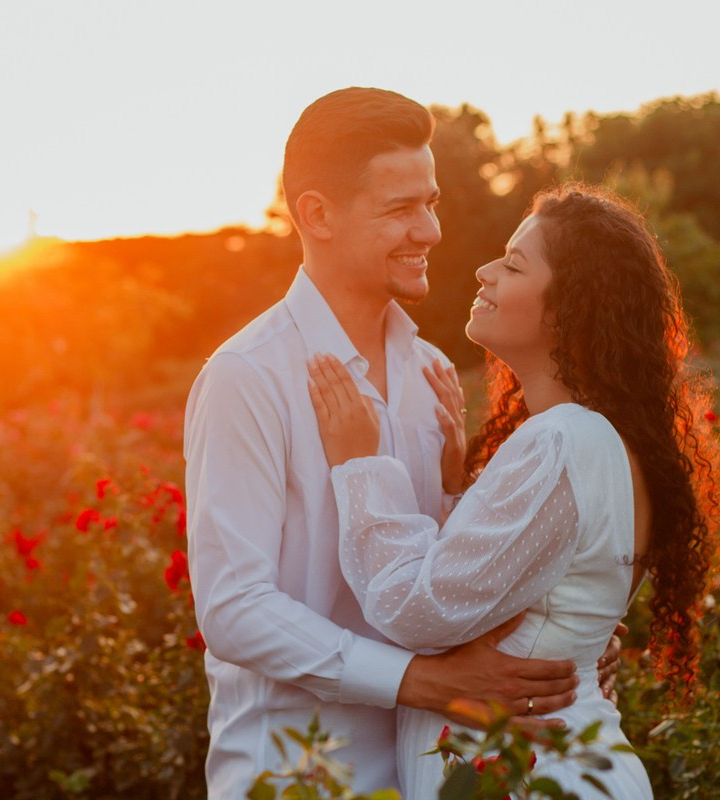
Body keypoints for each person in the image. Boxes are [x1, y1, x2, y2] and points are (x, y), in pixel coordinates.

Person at [184, 88, 599, 799]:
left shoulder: (431, 369)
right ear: (316, 214)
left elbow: (446, 575)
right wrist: (422, 683)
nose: (431, 230)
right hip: (298, 777)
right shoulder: (245, 376)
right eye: (401, 209)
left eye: (430, 203)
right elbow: (233, 608)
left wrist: (564, 647)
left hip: (426, 770)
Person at [308, 184, 720, 797]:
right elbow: (534, 594)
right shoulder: (603, 439)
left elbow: (416, 614)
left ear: (569, 307)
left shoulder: (561, 441)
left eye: (512, 263)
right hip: (567, 761)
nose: (483, 271)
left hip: (532, 774)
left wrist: (360, 464)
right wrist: (457, 492)